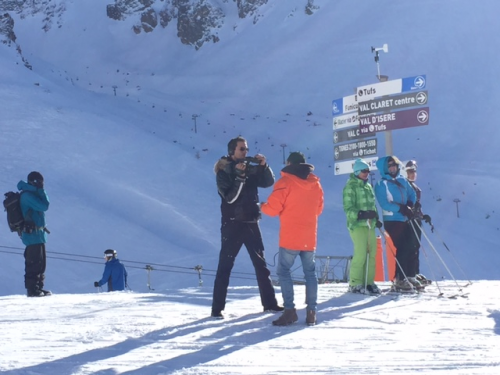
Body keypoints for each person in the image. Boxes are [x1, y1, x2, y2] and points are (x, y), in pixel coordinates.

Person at [211, 136, 282, 319]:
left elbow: (267, 183)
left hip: (251, 222)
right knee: (225, 266)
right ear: (231, 151)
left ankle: (270, 304)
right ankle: (216, 309)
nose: (245, 153)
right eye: (242, 149)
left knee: (261, 266)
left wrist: (263, 166)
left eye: (247, 149)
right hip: (232, 223)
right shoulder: (224, 171)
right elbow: (229, 198)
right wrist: (240, 177)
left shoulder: (248, 168)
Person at [261, 152, 324, 326]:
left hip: (290, 236)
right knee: (310, 273)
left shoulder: (285, 182)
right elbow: (318, 209)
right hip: (309, 237)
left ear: (289, 163)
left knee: (284, 271)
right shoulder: (315, 184)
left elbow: (273, 209)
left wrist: (261, 206)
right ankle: (312, 312)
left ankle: (290, 311)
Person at [374, 156, 419, 291]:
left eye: (394, 165)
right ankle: (400, 278)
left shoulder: (402, 180)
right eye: (390, 166)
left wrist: (410, 205)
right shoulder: (382, 184)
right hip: (392, 220)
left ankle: (410, 275)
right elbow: (384, 204)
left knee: (411, 246)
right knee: (403, 247)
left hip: (405, 218)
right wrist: (401, 208)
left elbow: (412, 194)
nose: (393, 168)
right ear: (384, 169)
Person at [342, 158, 382, 295]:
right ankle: (355, 282)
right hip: (357, 225)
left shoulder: (368, 186)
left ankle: (368, 281)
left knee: (372, 253)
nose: (366, 173)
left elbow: (372, 205)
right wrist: (361, 214)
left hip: (370, 224)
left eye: (368, 171)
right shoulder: (350, 186)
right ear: (357, 171)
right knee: (361, 253)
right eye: (364, 171)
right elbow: (348, 209)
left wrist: (375, 217)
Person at [18, 171, 51, 297]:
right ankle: (32, 289)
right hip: (32, 235)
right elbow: (44, 206)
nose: (41, 184)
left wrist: (39, 190)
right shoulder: (27, 196)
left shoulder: (32, 193)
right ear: (33, 182)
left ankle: (38, 287)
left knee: (41, 263)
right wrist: (41, 191)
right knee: (33, 263)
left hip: (38, 234)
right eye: (39, 182)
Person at [404, 160, 432, 286]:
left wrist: (423, 215)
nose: (413, 174)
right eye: (410, 171)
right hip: (408, 221)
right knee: (410, 248)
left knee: (416, 248)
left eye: (414, 171)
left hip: (416, 220)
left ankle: (414, 273)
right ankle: (408, 275)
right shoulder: (404, 187)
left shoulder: (416, 188)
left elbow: (417, 207)